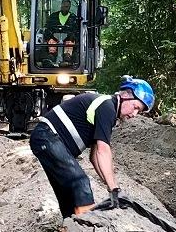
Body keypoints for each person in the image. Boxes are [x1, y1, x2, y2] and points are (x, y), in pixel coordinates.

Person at [30, 76, 156, 218]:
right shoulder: (107, 107)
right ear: (126, 95)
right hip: (47, 137)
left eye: (139, 111)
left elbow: (95, 156)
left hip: (45, 139)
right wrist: (114, 188)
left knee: (68, 195)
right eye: (135, 107)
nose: (134, 114)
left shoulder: (108, 110)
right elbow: (103, 151)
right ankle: (87, 229)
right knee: (80, 182)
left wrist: (112, 188)